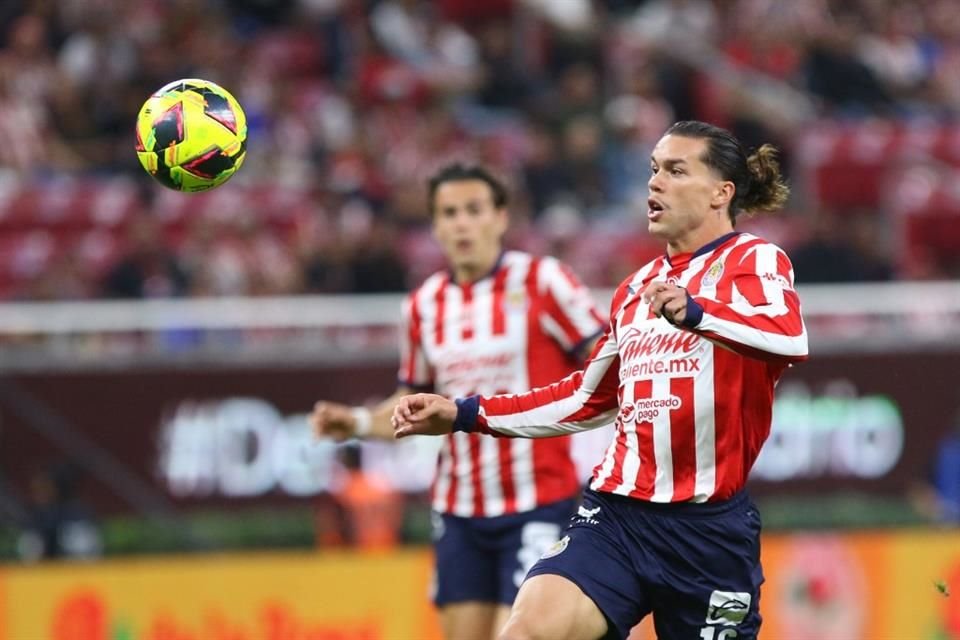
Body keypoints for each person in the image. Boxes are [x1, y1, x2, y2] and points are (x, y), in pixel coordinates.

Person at [392, 121, 809, 640]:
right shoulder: (635, 289)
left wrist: (698, 314)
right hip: (616, 518)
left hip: (709, 534)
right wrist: (462, 413)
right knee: (527, 631)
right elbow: (585, 399)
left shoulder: (755, 260)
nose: (655, 183)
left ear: (720, 193)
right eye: (654, 170)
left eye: (677, 171)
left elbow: (789, 337)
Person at [311, 162, 606, 640]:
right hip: (458, 509)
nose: (462, 223)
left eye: (474, 210)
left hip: (537, 502)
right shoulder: (424, 305)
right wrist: (359, 422)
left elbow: (605, 358)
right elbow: (412, 403)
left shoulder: (545, 282)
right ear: (435, 225)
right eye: (449, 213)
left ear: (501, 217)